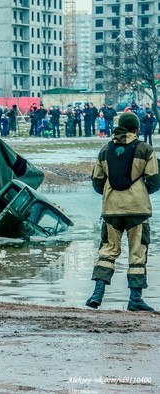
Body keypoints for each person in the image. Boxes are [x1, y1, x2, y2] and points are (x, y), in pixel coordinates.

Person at [87, 112, 160, 311]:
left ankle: (97, 294)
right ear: (137, 129)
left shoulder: (104, 150)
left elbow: (96, 182)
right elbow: (154, 180)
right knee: (138, 253)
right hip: (138, 209)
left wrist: (111, 194)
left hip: (111, 209)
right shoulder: (145, 149)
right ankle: (135, 299)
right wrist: (141, 191)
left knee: (107, 251)